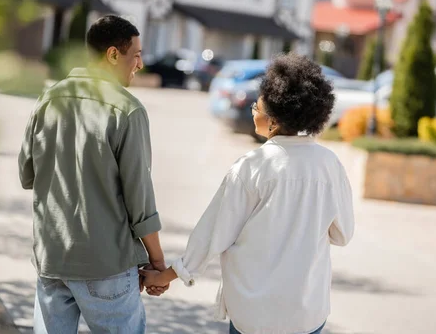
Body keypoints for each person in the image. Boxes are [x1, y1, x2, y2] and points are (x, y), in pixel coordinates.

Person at [141, 54, 355, 334]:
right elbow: (342, 235)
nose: (254, 109)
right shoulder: (330, 165)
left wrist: (164, 275)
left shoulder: (252, 167)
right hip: (307, 314)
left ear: (275, 118)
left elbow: (211, 236)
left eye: (258, 104)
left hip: (255, 316)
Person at [19, 15, 167, 334]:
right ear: (113, 54)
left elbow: (26, 173)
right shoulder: (128, 110)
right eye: (136, 55)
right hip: (105, 266)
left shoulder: (49, 98)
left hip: (52, 259)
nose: (139, 65)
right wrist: (158, 263)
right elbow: (139, 200)